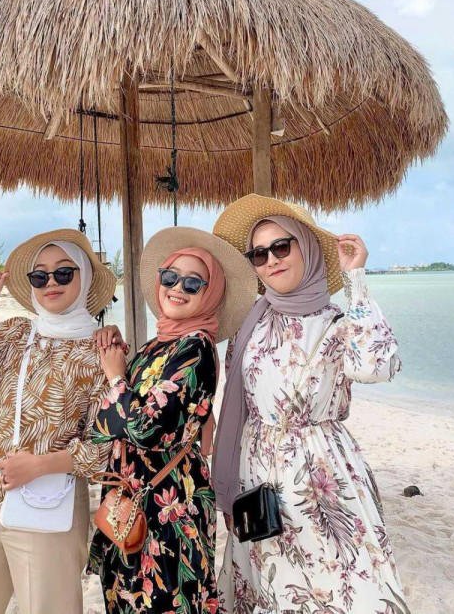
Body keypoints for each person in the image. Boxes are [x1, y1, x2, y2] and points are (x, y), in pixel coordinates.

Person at [212, 195, 410, 614]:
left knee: (343, 590)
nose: (271, 260)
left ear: (307, 248)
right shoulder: (250, 322)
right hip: (257, 478)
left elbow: (377, 365)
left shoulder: (337, 323)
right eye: (259, 254)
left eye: (281, 247)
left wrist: (356, 279)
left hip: (323, 477)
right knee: (271, 589)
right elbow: (237, 401)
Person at [0, 229, 119, 614]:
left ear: (84, 277)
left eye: (63, 272)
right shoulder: (14, 332)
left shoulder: (101, 351)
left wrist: (41, 465)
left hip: (51, 506)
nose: (51, 283)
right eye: (39, 275)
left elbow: (107, 448)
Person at [88, 227, 257, 614]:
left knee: (165, 600)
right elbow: (109, 420)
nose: (178, 288)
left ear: (210, 294)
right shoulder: (156, 345)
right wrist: (118, 358)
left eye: (193, 283)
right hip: (131, 497)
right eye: (170, 277)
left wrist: (117, 378)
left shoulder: (196, 347)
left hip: (169, 505)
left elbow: (145, 429)